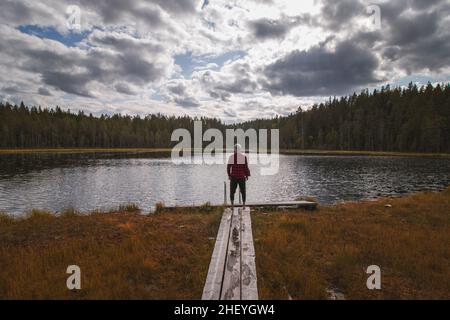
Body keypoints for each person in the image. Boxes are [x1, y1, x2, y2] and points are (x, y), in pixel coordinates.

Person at [227, 144, 250, 208]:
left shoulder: (231, 157)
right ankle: (244, 205)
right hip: (241, 177)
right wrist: (247, 175)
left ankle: (232, 205)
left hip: (233, 177)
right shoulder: (243, 157)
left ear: (234, 149)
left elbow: (228, 167)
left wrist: (229, 175)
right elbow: (245, 167)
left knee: (232, 191)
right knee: (243, 191)